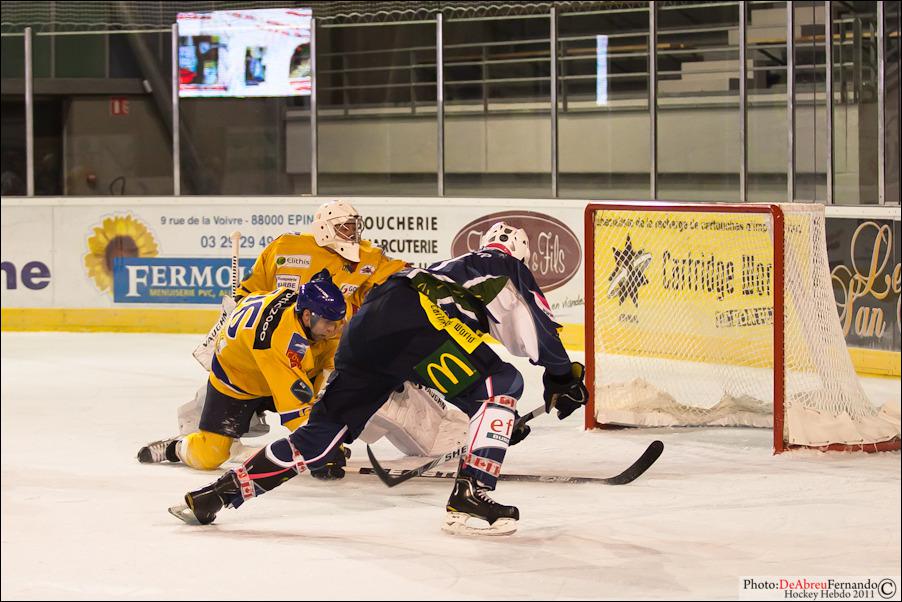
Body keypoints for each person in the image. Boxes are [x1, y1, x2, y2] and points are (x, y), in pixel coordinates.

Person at [168, 222, 588, 536]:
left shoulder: (448, 268)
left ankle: (219, 494)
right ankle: (471, 496)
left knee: (319, 437)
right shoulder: (506, 266)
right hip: (418, 324)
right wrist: (562, 378)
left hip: (369, 325)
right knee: (505, 384)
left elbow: (446, 358)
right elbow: (541, 331)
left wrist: (491, 425)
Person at [139, 199, 465, 464]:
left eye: (354, 226)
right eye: (344, 227)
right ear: (324, 228)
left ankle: (433, 433)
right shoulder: (285, 248)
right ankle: (192, 439)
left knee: (362, 392)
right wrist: (235, 307)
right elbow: (252, 291)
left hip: (326, 352)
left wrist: (438, 284)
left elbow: (401, 277)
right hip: (270, 354)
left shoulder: (368, 258)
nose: (352, 233)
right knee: (224, 417)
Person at [137, 274, 347, 471]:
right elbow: (295, 413)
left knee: (334, 386)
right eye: (328, 323)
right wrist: (323, 448)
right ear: (308, 316)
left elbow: (332, 362)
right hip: (236, 383)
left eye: (337, 322)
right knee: (210, 455)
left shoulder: (303, 311)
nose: (333, 329)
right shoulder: (277, 342)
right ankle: (175, 448)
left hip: (266, 366)